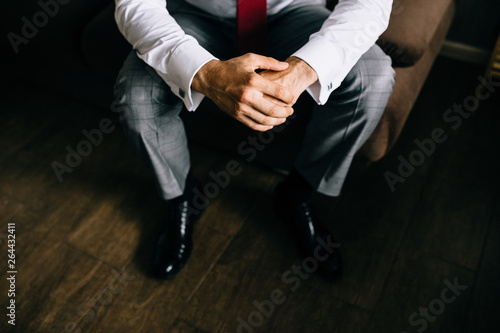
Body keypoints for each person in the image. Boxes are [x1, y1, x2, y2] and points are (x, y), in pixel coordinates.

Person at [113, 0, 395, 279]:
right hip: (196, 13)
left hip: (295, 10)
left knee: (374, 78)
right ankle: (183, 196)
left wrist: (307, 68)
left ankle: (297, 195)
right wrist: (205, 73)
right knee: (137, 96)